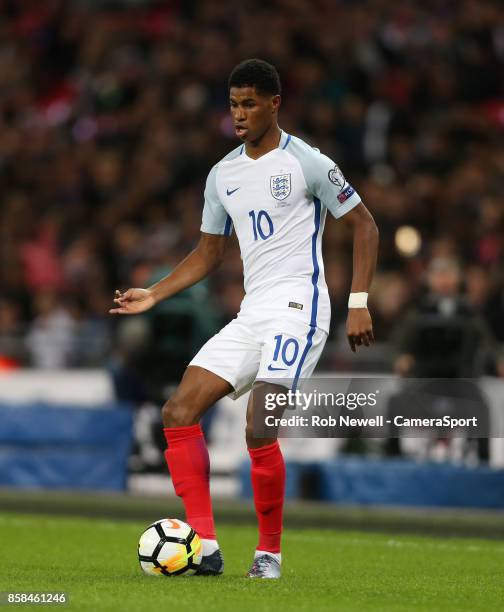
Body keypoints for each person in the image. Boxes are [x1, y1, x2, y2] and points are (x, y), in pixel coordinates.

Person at [110, 59, 378, 578]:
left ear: (274, 104)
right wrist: (155, 294)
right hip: (252, 312)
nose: (239, 114)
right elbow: (209, 253)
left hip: (300, 309)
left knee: (259, 426)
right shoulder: (223, 174)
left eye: (249, 104)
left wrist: (359, 300)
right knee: (178, 410)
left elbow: (365, 226)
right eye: (233, 104)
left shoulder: (309, 163)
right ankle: (205, 548)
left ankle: (268, 556)